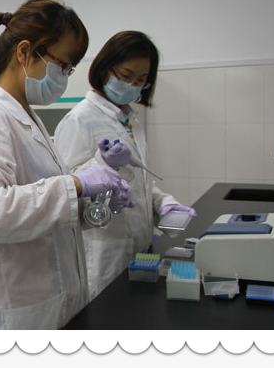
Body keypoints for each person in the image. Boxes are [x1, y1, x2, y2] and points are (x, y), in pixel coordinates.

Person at [0, 0, 132, 330]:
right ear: (25, 52)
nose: (66, 76)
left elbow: (39, 207)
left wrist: (90, 204)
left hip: (45, 302)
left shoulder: (27, 118)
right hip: (6, 313)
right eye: (64, 65)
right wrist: (77, 185)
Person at [54, 31, 197, 300]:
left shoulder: (130, 120)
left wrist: (163, 203)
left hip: (141, 248)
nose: (132, 85)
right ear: (104, 68)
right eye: (125, 75)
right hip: (104, 254)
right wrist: (101, 166)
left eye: (140, 80)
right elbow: (65, 188)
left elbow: (138, 180)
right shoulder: (79, 120)